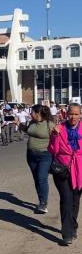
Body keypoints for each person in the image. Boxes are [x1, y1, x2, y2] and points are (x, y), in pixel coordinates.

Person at [48, 103, 82, 245]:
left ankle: (73, 227)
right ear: (66, 114)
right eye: (70, 114)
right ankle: (67, 233)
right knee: (67, 199)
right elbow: (53, 150)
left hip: (79, 170)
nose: (73, 117)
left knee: (75, 200)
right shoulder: (60, 129)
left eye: (76, 114)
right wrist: (55, 135)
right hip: (62, 170)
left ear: (80, 115)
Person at [20, 104, 54, 214]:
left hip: (45, 155)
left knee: (41, 178)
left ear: (37, 113)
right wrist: (19, 125)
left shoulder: (49, 124)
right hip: (31, 155)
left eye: (32, 112)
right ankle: (41, 201)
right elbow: (29, 131)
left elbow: (60, 137)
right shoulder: (32, 123)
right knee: (36, 178)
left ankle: (44, 204)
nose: (30, 114)